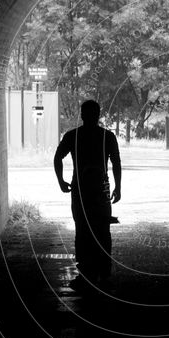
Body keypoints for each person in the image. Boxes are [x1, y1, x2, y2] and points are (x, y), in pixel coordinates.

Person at [53, 100, 122, 291]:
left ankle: (86, 274)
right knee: (102, 231)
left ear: (82, 115)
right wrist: (118, 187)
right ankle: (104, 273)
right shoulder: (107, 136)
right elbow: (116, 162)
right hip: (101, 190)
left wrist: (61, 180)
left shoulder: (73, 136)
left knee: (82, 232)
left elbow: (58, 157)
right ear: (98, 115)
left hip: (80, 189)